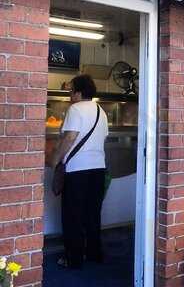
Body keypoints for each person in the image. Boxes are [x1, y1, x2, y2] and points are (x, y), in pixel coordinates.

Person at [51, 74, 109, 269]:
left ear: (79, 91)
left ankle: (73, 258)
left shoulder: (75, 109)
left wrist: (55, 159)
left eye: (71, 90)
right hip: (98, 169)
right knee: (93, 213)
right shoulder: (101, 111)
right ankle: (94, 253)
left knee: (73, 215)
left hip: (77, 170)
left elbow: (69, 139)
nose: (69, 94)